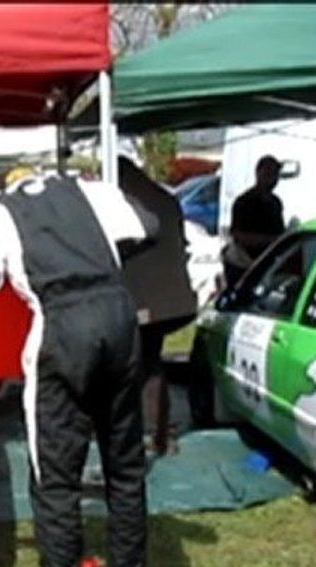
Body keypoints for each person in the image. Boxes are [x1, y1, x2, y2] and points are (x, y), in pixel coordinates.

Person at [0, 169, 156, 567]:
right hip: (120, 319)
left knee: (54, 478)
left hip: (62, 328)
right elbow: (150, 226)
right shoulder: (84, 188)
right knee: (124, 463)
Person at [117, 157, 197, 456]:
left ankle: (153, 434)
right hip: (173, 298)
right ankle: (162, 433)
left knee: (141, 367)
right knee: (152, 364)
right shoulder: (165, 197)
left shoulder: (129, 204)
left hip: (146, 301)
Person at [223, 154, 285, 287]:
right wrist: (270, 240)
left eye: (275, 175)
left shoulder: (275, 203)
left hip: (267, 264)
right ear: (258, 174)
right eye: (268, 174)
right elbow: (239, 235)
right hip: (242, 264)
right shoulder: (244, 202)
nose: (273, 179)